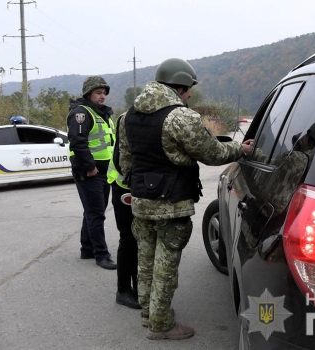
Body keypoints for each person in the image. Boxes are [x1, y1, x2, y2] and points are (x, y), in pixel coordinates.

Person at [118, 58, 253, 340]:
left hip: (141, 200)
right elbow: (213, 154)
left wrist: (141, 184)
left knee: (146, 261)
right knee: (166, 265)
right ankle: (161, 325)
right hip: (172, 202)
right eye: (188, 89)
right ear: (178, 86)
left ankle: (148, 314)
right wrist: (241, 150)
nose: (190, 94)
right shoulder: (181, 117)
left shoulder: (128, 116)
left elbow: (125, 161)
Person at [67, 76, 117, 270]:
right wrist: (90, 167)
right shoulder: (81, 113)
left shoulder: (102, 113)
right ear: (88, 93)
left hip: (104, 171)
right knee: (96, 213)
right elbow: (78, 143)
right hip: (89, 171)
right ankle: (101, 255)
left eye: (104, 93)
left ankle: (87, 248)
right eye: (98, 92)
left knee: (94, 210)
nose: (102, 96)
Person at [107, 112, 140, 309]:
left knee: (138, 241)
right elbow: (122, 159)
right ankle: (123, 291)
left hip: (136, 187)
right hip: (124, 187)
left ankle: (138, 288)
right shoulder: (130, 119)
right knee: (128, 239)